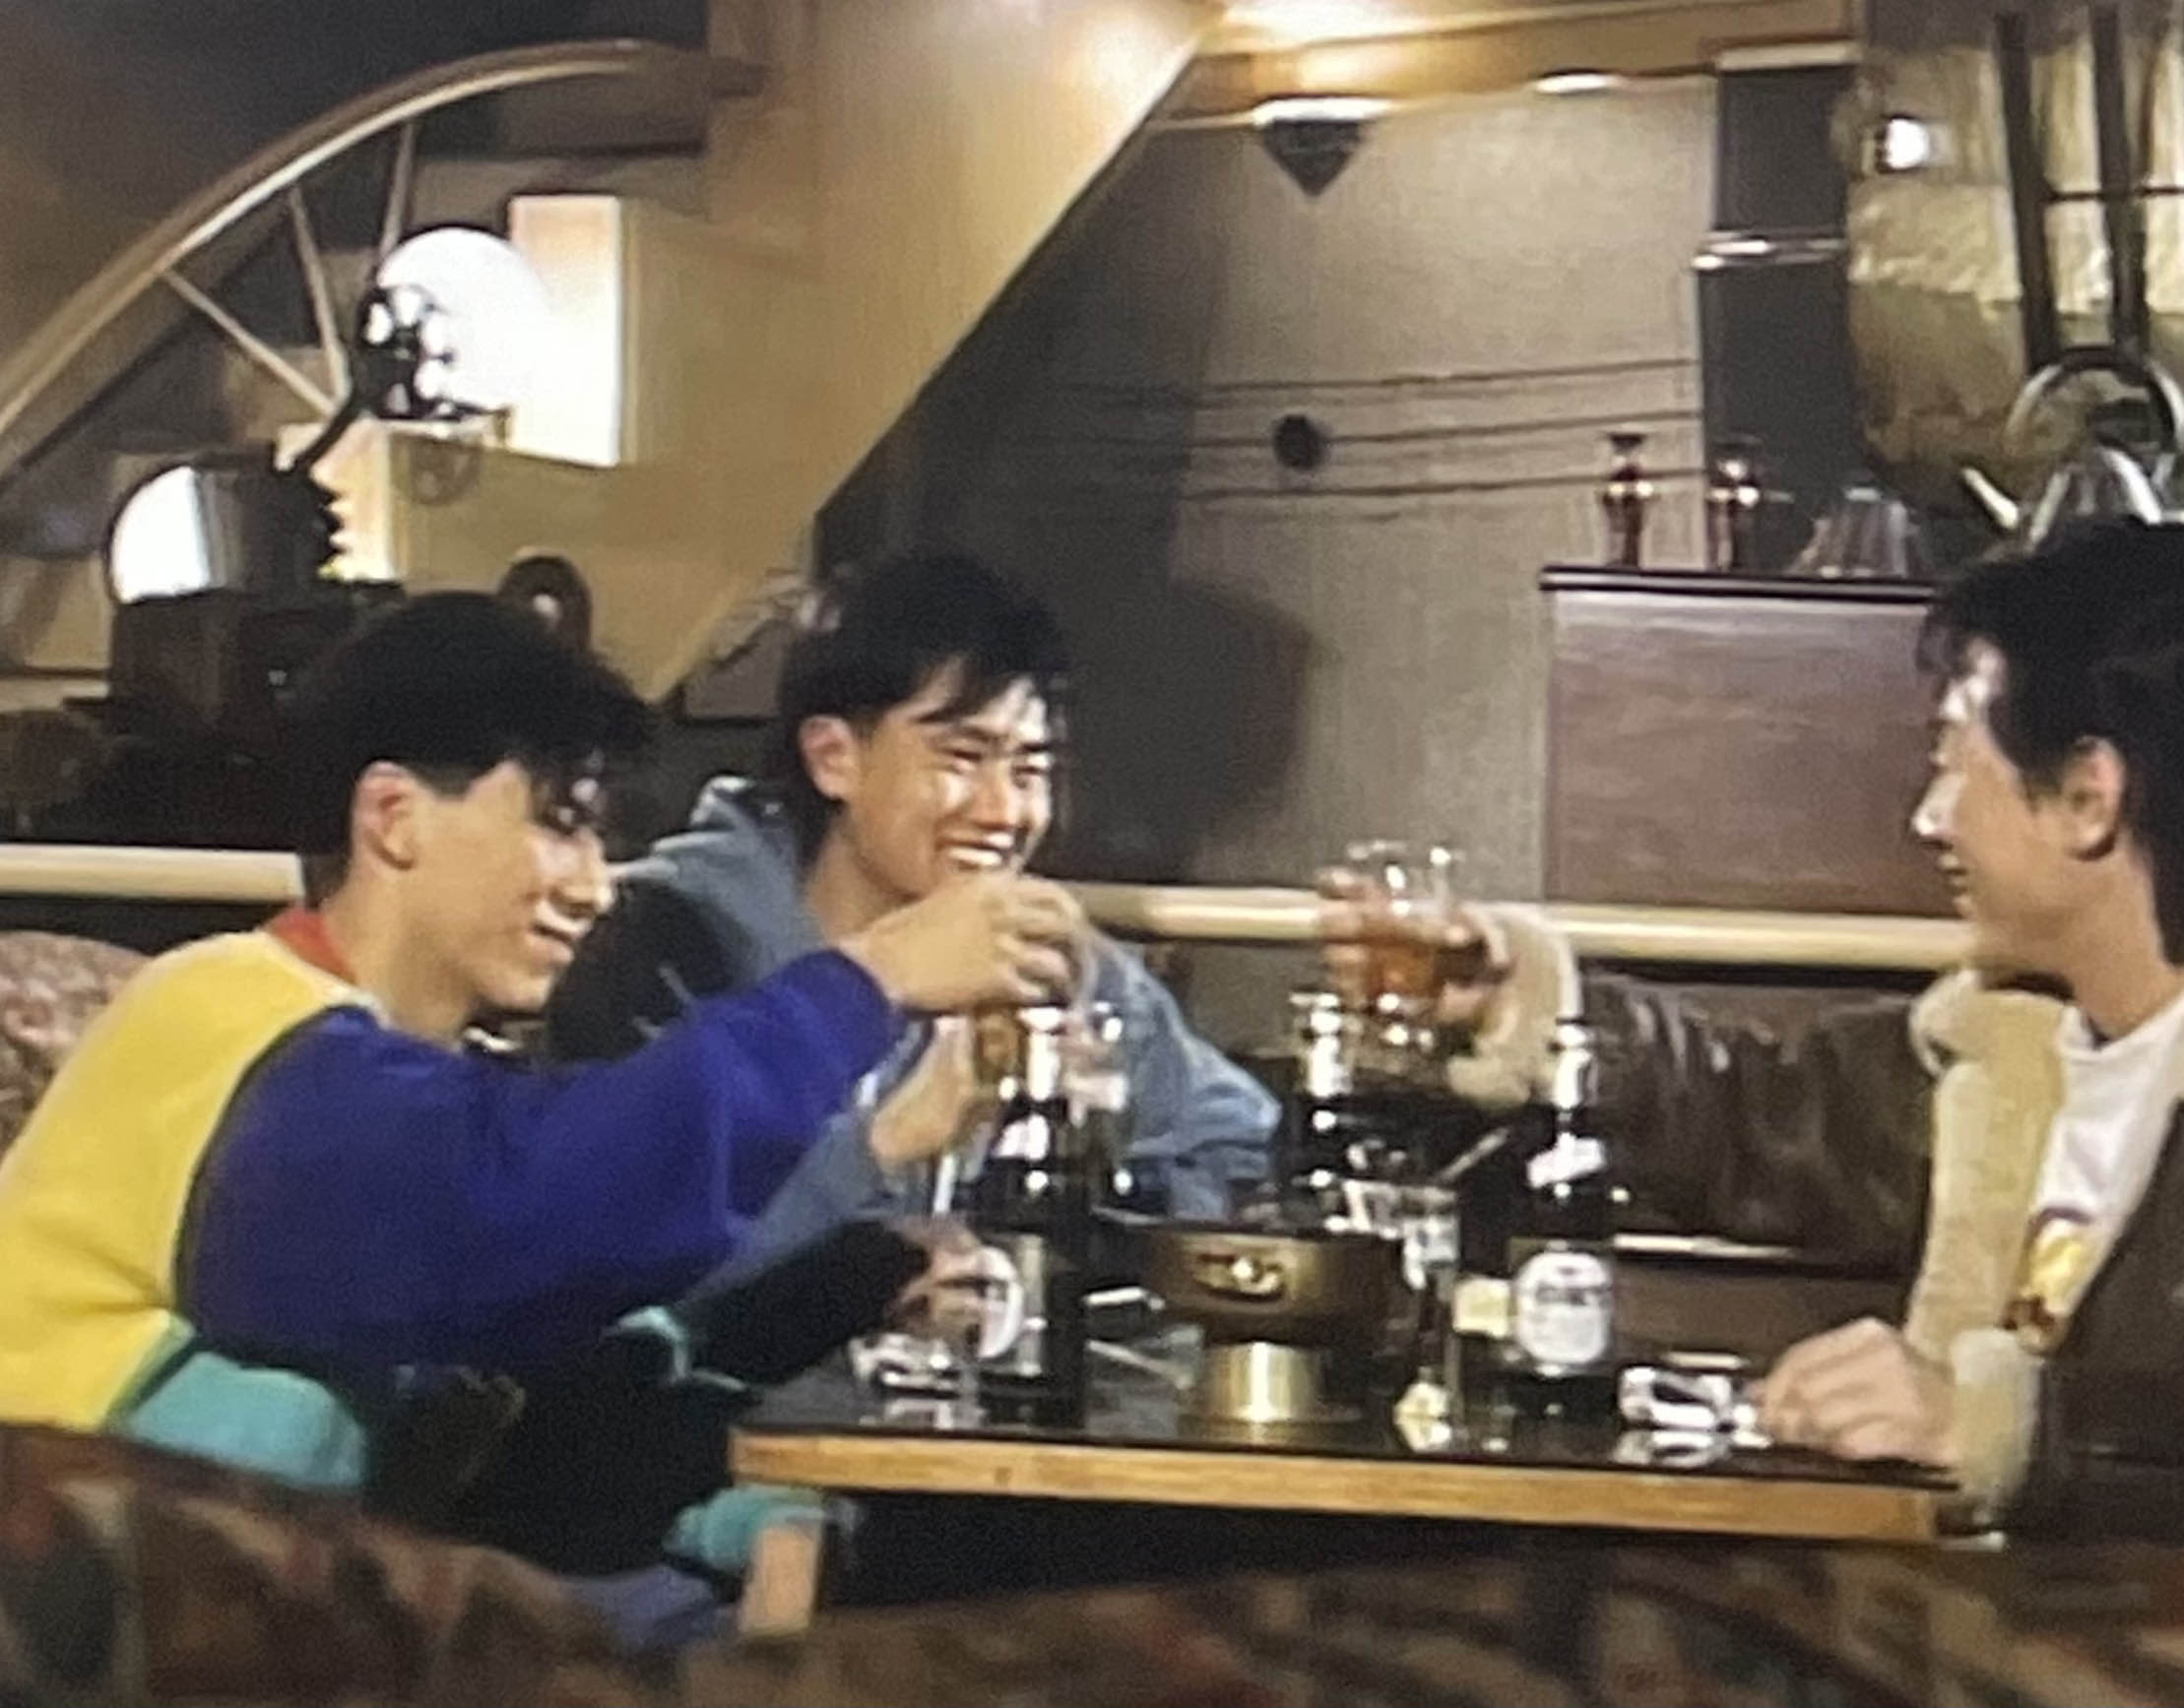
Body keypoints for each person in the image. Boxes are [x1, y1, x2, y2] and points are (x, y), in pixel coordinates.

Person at [1441, 521, 2184, 1550]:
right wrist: (1517, 1003)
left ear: (2088, 796)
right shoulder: (2021, 1039)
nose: (1927, 817)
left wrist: (2002, 1428)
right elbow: (1765, 1113)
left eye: (1952, 762)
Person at [0, 593, 1081, 1635]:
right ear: (393, 817)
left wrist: (851, 1285)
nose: (594, 886)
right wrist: (865, 982)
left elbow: (529, 1413)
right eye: (560, 824)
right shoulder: (222, 1023)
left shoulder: (411, 1077)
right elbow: (529, 1218)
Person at [546, 551, 1274, 1285]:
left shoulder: (1054, 964)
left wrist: (1090, 1193)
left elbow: (1244, 1159)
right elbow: (616, 1256)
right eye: (962, 758)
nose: (1005, 812)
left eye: (1030, 770)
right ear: (833, 757)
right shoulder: (665, 947)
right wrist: (878, 1220)